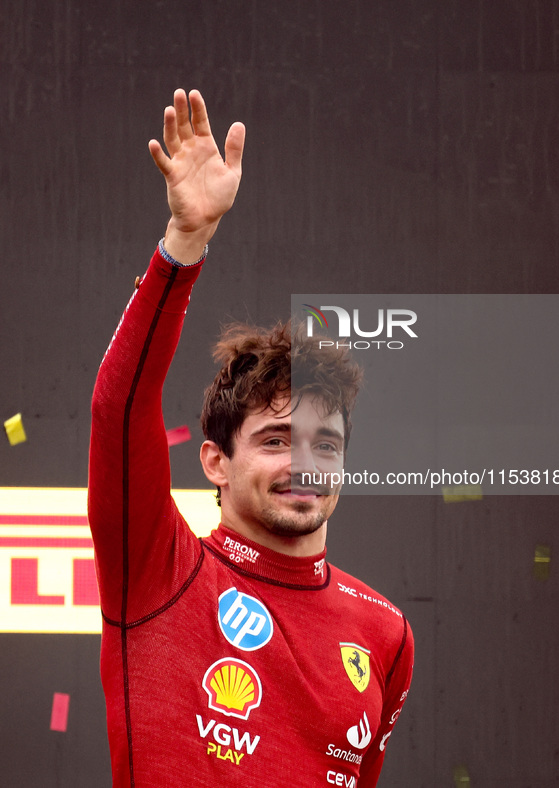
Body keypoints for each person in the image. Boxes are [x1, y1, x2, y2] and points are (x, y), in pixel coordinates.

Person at [88, 88, 413, 788]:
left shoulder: (385, 633)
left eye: (325, 445)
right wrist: (185, 245)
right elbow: (120, 404)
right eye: (273, 439)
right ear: (214, 461)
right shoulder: (157, 571)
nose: (304, 462)